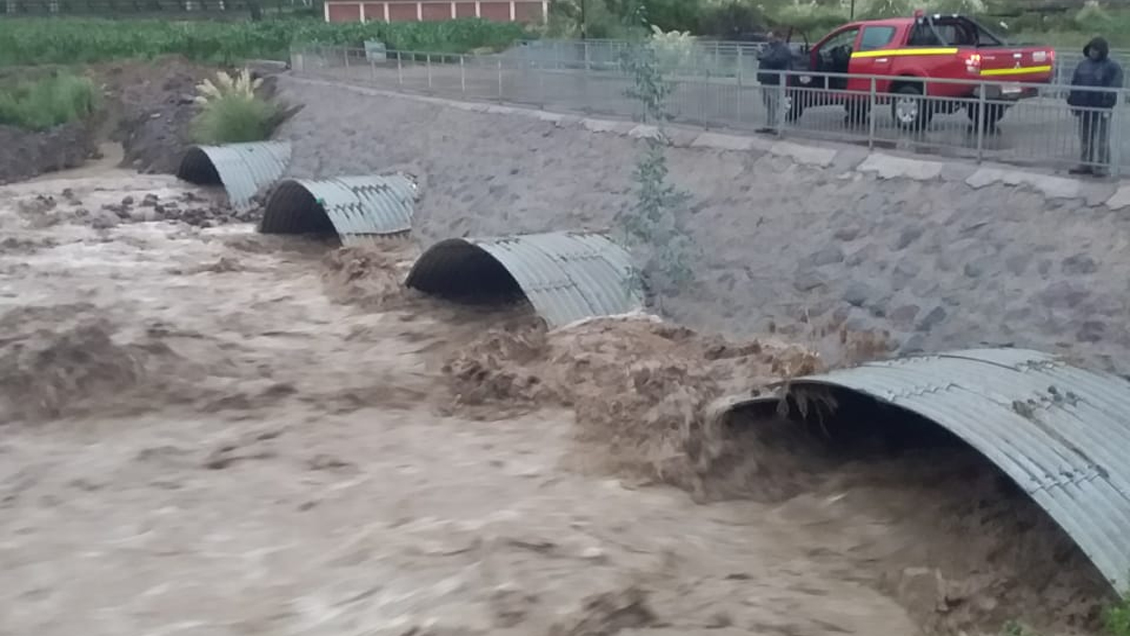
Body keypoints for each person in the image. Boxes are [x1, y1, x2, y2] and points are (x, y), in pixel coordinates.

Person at [1067, 36, 1123, 177]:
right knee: (1085, 138)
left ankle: (1102, 165)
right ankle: (1085, 163)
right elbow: (1075, 83)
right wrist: (1073, 100)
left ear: (1102, 51)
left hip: (1101, 108)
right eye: (1091, 49)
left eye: (1096, 50)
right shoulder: (1082, 65)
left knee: (1102, 139)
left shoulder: (1112, 67)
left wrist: (1107, 100)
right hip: (1084, 108)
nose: (1093, 52)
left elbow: (1115, 85)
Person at [757, 31, 792, 133]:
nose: (769, 41)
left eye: (770, 38)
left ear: (777, 37)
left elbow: (777, 61)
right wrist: (760, 54)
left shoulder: (783, 48)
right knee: (768, 105)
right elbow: (764, 57)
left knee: (777, 104)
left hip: (775, 80)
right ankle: (769, 125)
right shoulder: (770, 47)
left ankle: (778, 127)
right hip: (765, 79)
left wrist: (762, 56)